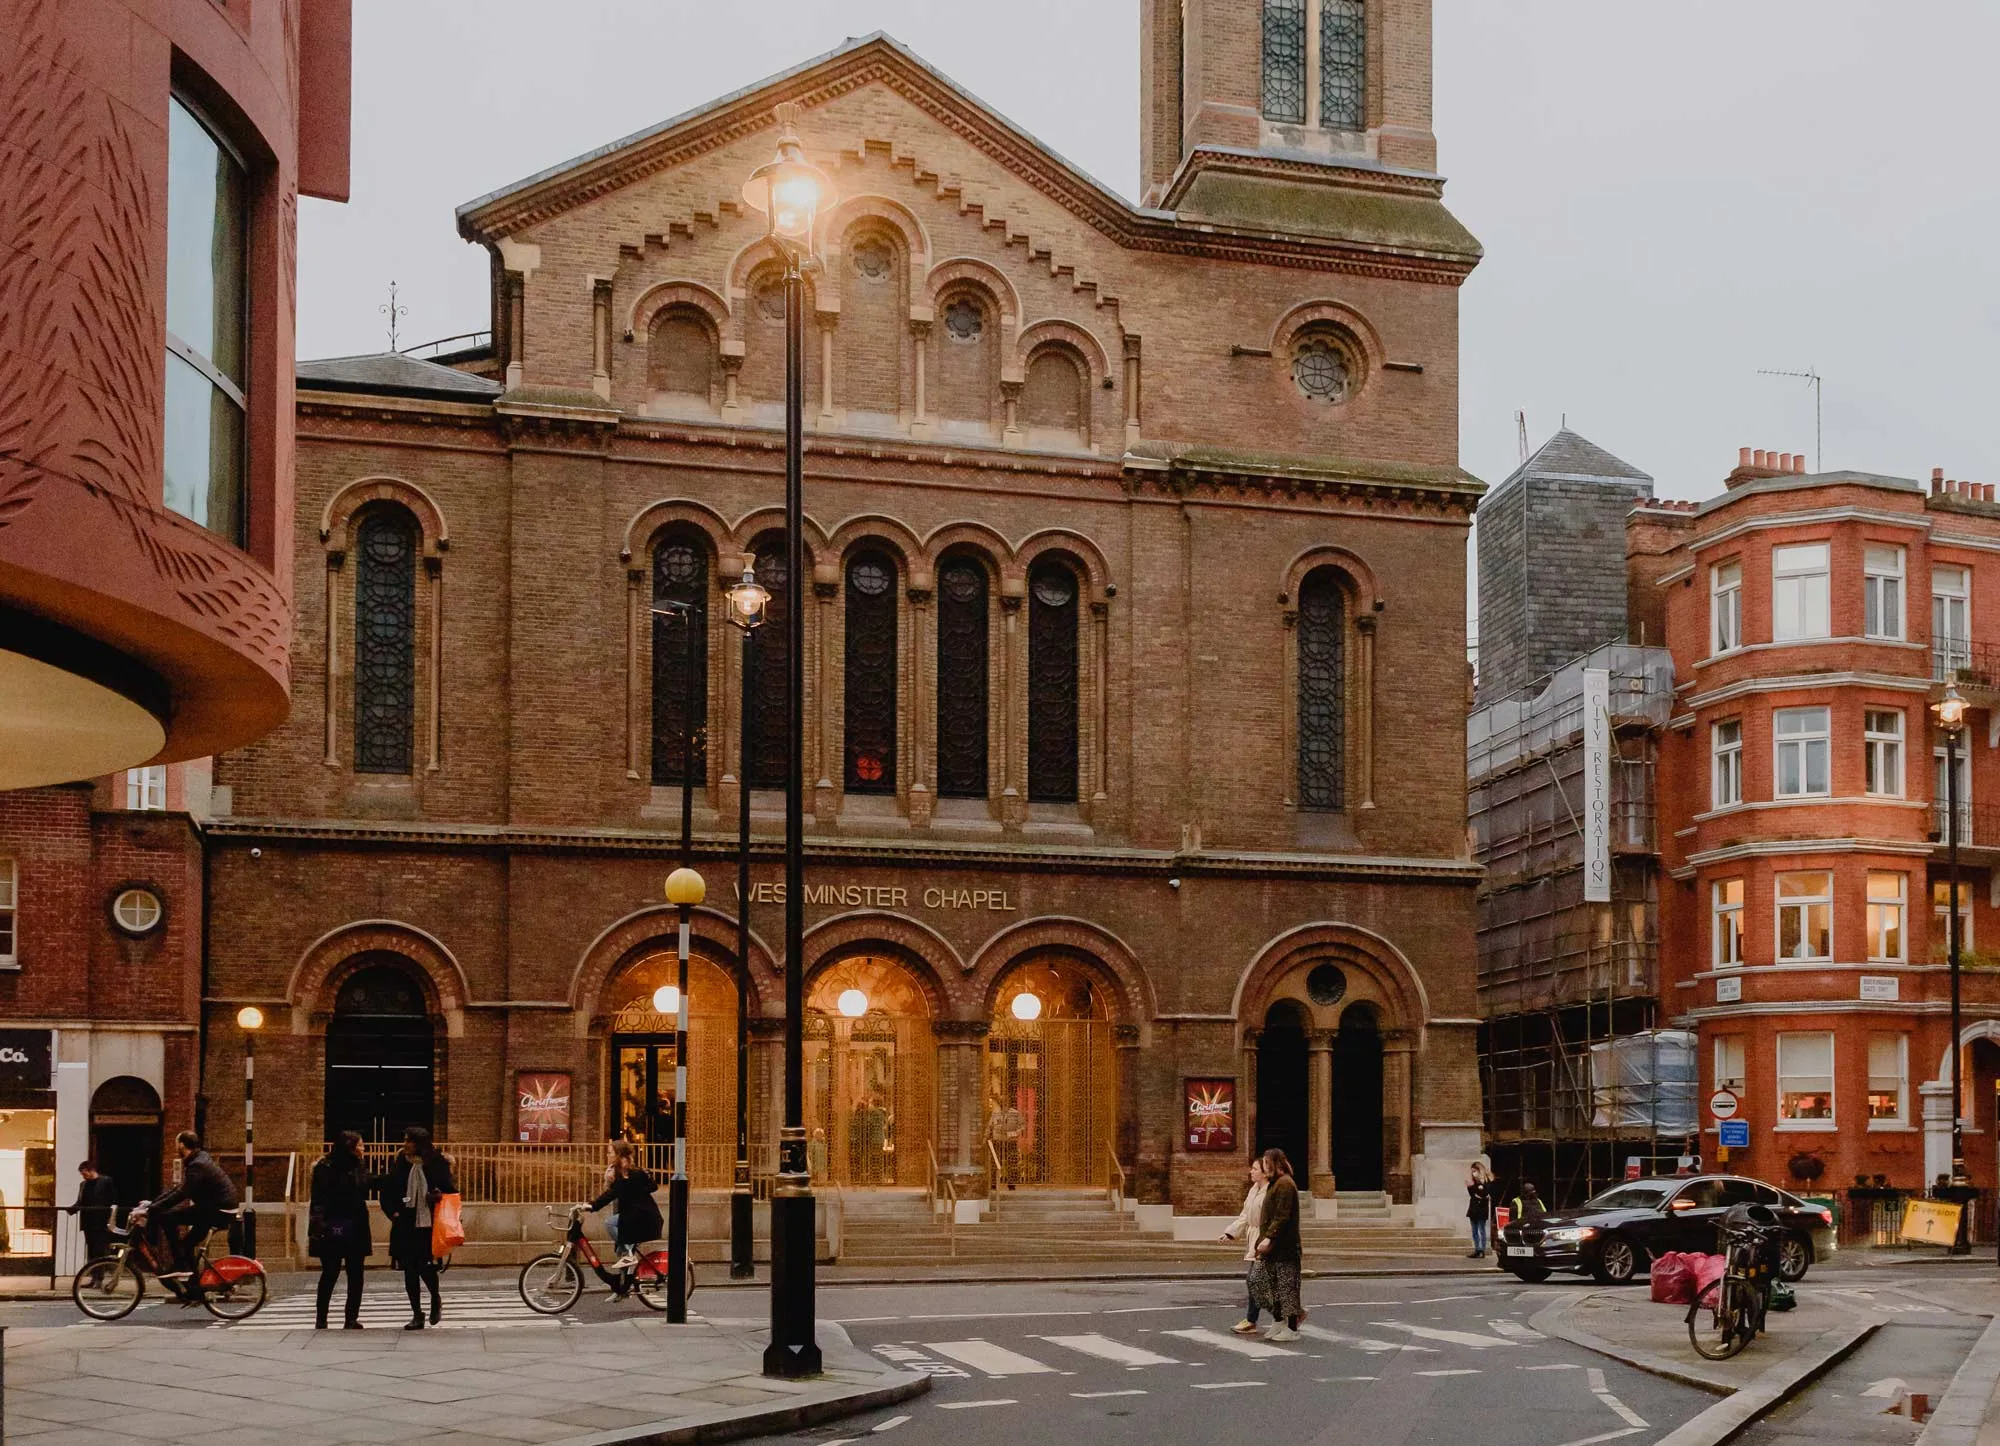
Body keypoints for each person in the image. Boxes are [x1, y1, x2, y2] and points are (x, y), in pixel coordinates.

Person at [140, 1131, 238, 1298]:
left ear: (182, 1145)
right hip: (217, 1208)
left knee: (167, 1217)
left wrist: (153, 1210)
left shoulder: (197, 1165)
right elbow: (178, 1189)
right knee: (186, 1246)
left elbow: (182, 1194)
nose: (176, 1146)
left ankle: (179, 1265)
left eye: (177, 1143)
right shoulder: (198, 1159)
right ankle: (195, 1288)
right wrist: (153, 1204)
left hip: (219, 1211)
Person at [380, 1125, 456, 1330]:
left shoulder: (436, 1162)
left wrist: (438, 1196)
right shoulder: (400, 1163)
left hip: (428, 1223)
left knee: (426, 1267)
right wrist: (393, 1211)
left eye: (409, 1141)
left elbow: (451, 1190)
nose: (405, 1145)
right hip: (405, 1221)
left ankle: (435, 1298)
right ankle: (416, 1314)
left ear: (419, 1143)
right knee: (409, 1270)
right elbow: (389, 1189)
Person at [309, 1131, 374, 1330]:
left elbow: (366, 1186)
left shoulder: (358, 1165)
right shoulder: (325, 1167)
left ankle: (351, 1317)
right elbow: (321, 1197)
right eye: (361, 1145)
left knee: (356, 1273)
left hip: (355, 1224)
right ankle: (321, 1318)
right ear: (350, 1147)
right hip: (332, 1224)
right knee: (330, 1272)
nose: (364, 1149)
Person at [588, 1141, 663, 1294]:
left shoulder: (631, 1173)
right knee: (620, 1251)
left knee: (610, 1224)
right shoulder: (618, 1173)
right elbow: (612, 1191)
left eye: (610, 1152)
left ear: (619, 1155)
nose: (607, 1155)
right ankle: (622, 1289)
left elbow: (613, 1194)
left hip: (644, 1218)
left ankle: (629, 1253)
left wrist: (592, 1206)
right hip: (632, 1217)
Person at [1252, 1147, 1305, 1341]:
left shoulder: (1285, 1184)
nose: (1264, 1167)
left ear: (1275, 1163)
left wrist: (1269, 1238)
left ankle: (1291, 1328)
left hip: (1285, 1247)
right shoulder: (1274, 1184)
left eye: (1266, 1163)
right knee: (1260, 1282)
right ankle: (1279, 1319)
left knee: (1286, 1287)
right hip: (1273, 1247)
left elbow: (1282, 1216)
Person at [1221, 1156, 1270, 1334]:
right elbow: (1245, 1215)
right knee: (1257, 1282)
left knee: (1254, 1281)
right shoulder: (1254, 1190)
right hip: (1254, 1240)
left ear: (1265, 1173)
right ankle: (1254, 1320)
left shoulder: (1271, 1191)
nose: (1251, 1171)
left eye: (1255, 1169)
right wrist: (1230, 1232)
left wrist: (1268, 1239)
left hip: (1265, 1242)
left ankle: (1252, 1320)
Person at [64, 1160, 118, 1263]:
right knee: (91, 1249)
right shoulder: (83, 1184)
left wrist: (111, 1220)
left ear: (92, 1170)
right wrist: (71, 1209)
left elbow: (113, 1200)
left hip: (101, 1222)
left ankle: (99, 1274)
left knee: (100, 1249)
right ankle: (94, 1274)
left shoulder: (106, 1181)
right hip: (88, 1222)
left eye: (85, 1174)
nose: (83, 1176)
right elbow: (81, 1201)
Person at [988, 1096, 1025, 1190]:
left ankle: (1011, 1183)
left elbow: (1022, 1126)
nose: (1003, 1103)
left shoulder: (1015, 1114)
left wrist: (1013, 1133)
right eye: (1001, 1102)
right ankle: (994, 1183)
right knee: (995, 1163)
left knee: (1012, 1163)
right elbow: (990, 1126)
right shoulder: (996, 1114)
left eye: (1005, 1102)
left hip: (1010, 1141)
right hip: (998, 1141)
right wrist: (986, 1137)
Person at [1466, 1162, 1492, 1259]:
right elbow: (1473, 1195)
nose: (1473, 1173)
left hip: (1482, 1209)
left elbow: (1484, 1194)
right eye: (1472, 1172)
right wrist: (1471, 1187)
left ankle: (1482, 1250)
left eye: (1474, 1171)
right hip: (1473, 1208)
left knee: (1481, 1229)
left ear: (1479, 1171)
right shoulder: (1473, 1182)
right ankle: (1477, 1249)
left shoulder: (1486, 1181)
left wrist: (1475, 1190)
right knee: (1474, 1231)